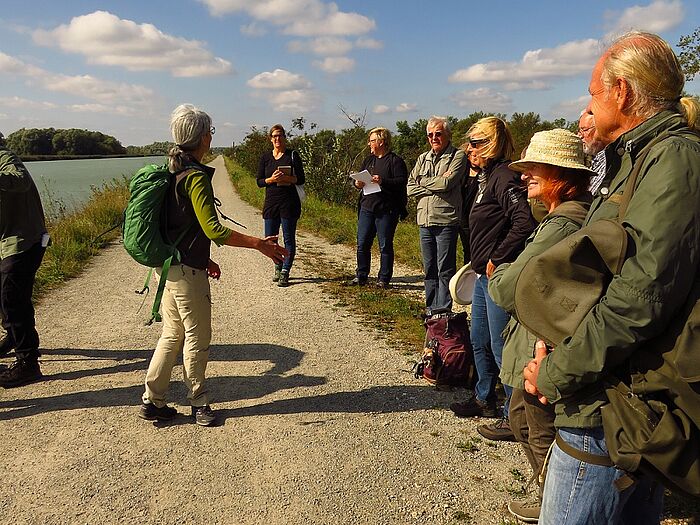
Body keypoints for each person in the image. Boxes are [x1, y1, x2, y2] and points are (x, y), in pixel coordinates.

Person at [522, 32, 700, 524]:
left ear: (621, 92)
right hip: (612, 390)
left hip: (611, 405)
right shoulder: (636, 158)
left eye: (592, 92)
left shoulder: (673, 160)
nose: (589, 103)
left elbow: (638, 300)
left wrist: (557, 374)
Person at [140, 104, 287, 426]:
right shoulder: (194, 177)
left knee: (172, 333)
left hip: (168, 268)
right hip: (186, 274)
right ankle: (199, 402)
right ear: (204, 137)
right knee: (196, 337)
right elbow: (213, 230)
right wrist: (259, 244)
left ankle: (153, 400)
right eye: (211, 132)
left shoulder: (172, 170)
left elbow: (178, 226)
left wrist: (204, 258)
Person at [488, 129, 594, 523]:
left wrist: (504, 272)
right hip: (541, 338)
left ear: (560, 175)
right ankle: (550, 494)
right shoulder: (562, 216)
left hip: (542, 343)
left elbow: (505, 287)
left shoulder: (561, 224)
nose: (524, 175)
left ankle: (555, 501)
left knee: (535, 422)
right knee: (523, 416)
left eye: (535, 168)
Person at [450, 117, 536, 439]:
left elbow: (523, 221)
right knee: (479, 339)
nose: (469, 148)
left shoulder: (503, 176)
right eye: (469, 142)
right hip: (483, 275)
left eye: (475, 142)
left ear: (491, 143)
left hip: (497, 275)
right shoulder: (487, 177)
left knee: (502, 345)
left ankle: (513, 417)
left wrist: (497, 257)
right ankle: (484, 396)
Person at [0, 132, 49, 388]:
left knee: (13, 299)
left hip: (24, 242)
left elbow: (19, 181)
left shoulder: (6, 158)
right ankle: (13, 338)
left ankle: (28, 363)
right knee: (7, 297)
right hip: (10, 243)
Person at [406, 116, 467, 315]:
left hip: (446, 220)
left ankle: (443, 311)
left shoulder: (458, 156)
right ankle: (431, 309)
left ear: (447, 135)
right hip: (424, 220)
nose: (434, 138)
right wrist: (434, 184)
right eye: (430, 135)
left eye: (438, 134)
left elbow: (447, 184)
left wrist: (422, 181)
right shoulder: (423, 158)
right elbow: (409, 188)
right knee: (429, 268)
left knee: (445, 269)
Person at [350, 127, 408, 288]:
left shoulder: (395, 161)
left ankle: (383, 278)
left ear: (381, 142)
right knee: (362, 243)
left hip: (386, 210)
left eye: (372, 140)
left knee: (385, 245)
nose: (369, 143)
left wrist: (382, 181)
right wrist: (357, 183)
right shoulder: (369, 160)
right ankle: (361, 275)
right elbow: (359, 180)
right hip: (366, 208)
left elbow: (401, 181)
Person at [256, 124, 305, 288]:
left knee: (289, 239)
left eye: (280, 135)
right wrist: (272, 179)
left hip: (289, 203)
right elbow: (259, 181)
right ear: (270, 139)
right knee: (271, 239)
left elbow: (301, 179)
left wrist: (287, 178)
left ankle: (285, 271)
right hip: (271, 202)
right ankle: (277, 266)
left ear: (284, 137)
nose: (277, 139)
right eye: (274, 136)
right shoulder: (265, 157)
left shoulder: (292, 155)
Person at [577, 110, 607, 196]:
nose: (580, 135)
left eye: (585, 130)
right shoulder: (594, 160)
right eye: (579, 130)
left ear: (600, 129)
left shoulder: (610, 161)